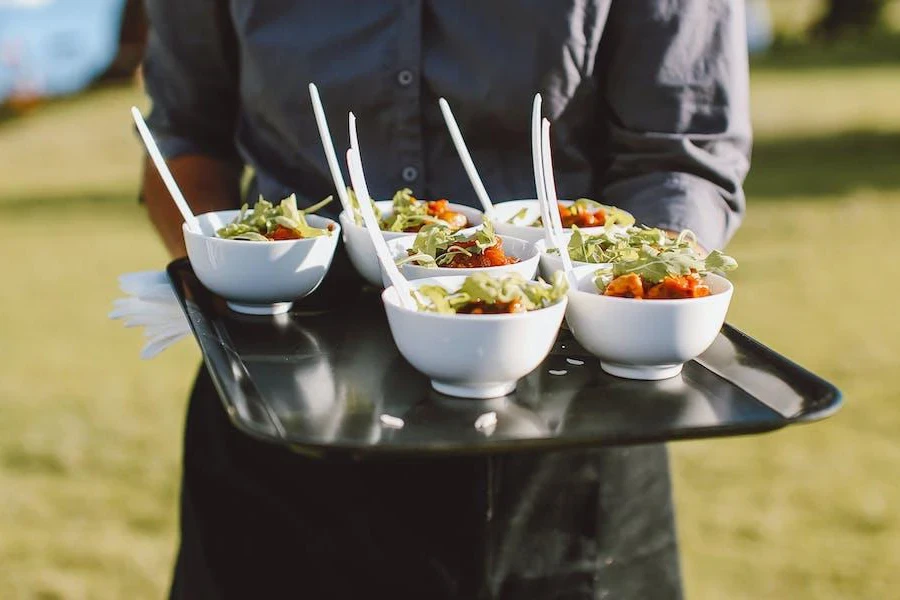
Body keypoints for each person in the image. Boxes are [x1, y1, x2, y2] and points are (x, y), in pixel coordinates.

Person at [139, 1, 750, 598]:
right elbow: (186, 138)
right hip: (285, 417)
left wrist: (632, 301)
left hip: (571, 428)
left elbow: (679, 153)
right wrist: (232, 272)